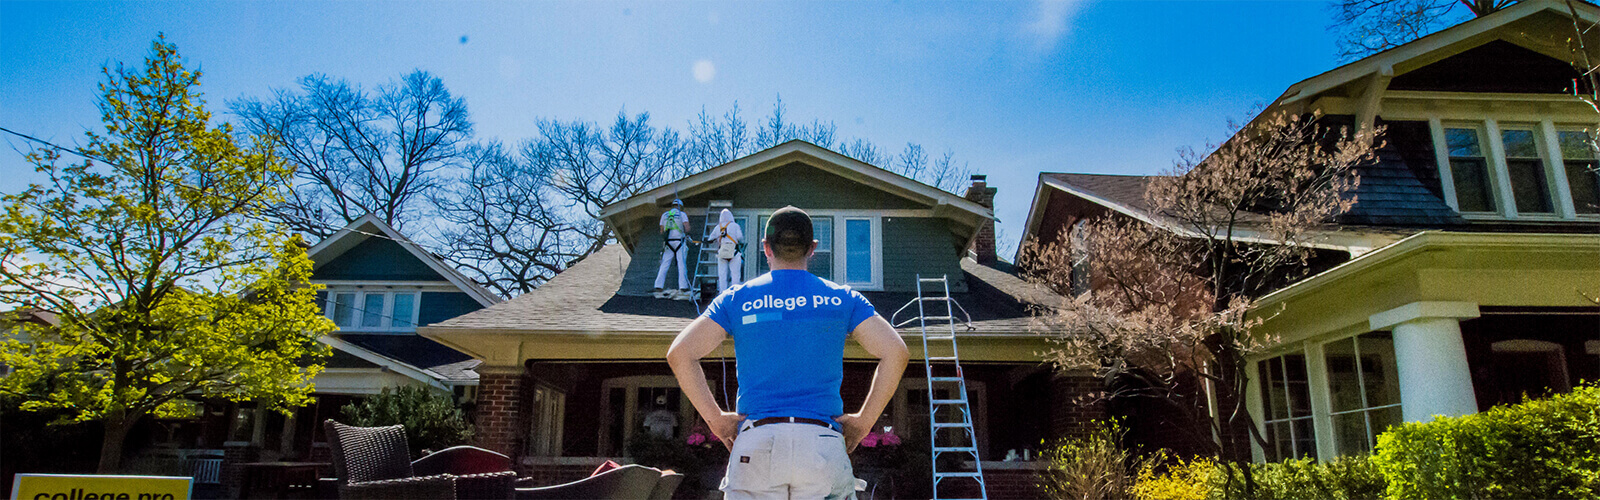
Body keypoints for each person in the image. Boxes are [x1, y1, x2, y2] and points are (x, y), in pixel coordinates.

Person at [667, 206, 909, 500]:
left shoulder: (736, 299)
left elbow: (680, 353)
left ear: (766, 248)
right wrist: (863, 423)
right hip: (822, 443)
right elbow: (896, 351)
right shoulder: (843, 298)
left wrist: (716, 420)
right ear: (813, 248)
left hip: (757, 441)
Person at [654, 199, 692, 299]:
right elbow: (687, 228)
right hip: (679, 241)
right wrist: (686, 232)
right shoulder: (682, 214)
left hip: (668, 243)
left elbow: (662, 231)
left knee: (664, 264)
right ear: (681, 206)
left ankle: (658, 286)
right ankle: (683, 287)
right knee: (681, 264)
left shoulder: (665, 215)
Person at [711, 208, 744, 292]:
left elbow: (710, 239)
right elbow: (740, 238)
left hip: (722, 252)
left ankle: (722, 293)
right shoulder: (735, 226)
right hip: (734, 252)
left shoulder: (718, 227)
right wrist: (742, 243)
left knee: (722, 275)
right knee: (735, 275)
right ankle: (735, 293)